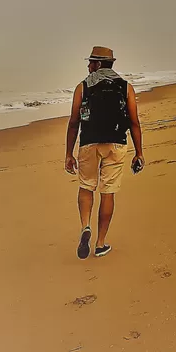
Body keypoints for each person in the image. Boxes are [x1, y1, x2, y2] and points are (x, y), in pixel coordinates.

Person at [64, 46, 144, 259]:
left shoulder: (83, 87)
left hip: (89, 143)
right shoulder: (126, 87)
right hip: (116, 143)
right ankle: (100, 244)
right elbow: (134, 123)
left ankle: (85, 226)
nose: (88, 66)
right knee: (107, 192)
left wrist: (69, 154)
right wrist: (139, 152)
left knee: (86, 186)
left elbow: (74, 122)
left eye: (91, 62)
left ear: (98, 64)